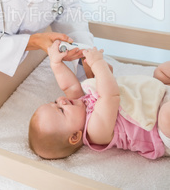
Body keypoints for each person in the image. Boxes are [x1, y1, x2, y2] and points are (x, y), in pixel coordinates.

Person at [29, 42, 170, 160]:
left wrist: (55, 63)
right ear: (75, 136)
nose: (62, 100)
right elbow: (109, 96)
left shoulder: (80, 105)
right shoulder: (95, 131)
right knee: (166, 115)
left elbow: (69, 86)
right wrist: (97, 63)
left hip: (155, 99)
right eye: (60, 110)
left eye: (55, 102)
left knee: (162, 71)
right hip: (159, 129)